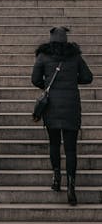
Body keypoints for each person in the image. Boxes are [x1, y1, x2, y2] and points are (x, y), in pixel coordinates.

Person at [31, 26, 93, 206]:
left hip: (51, 108)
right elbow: (88, 77)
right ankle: (71, 187)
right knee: (71, 149)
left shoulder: (43, 56)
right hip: (71, 107)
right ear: (66, 40)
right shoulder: (75, 57)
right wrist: (74, 80)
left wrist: (47, 85)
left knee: (54, 144)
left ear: (51, 40)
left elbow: (35, 80)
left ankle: (56, 179)